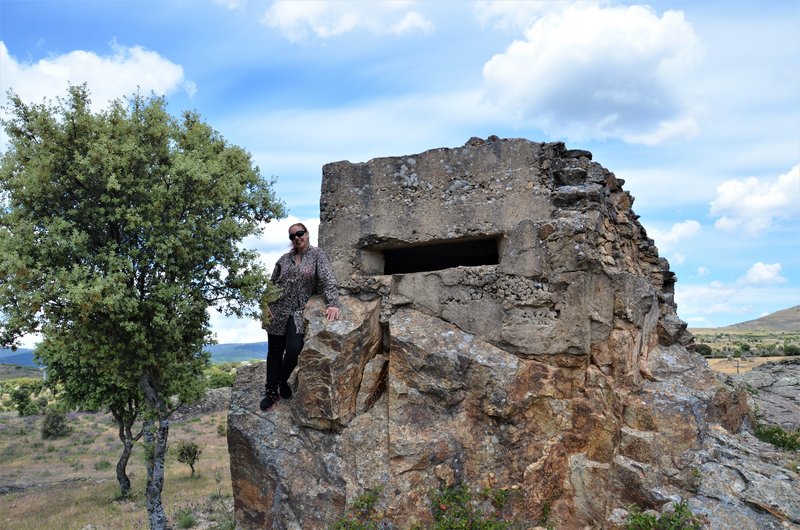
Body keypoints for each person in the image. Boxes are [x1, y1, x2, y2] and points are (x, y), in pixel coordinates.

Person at [260, 223, 340, 411]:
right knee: (274, 353)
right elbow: (271, 285)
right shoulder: (283, 260)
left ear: (307, 234)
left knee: (294, 348)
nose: (296, 237)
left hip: (297, 312)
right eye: (292, 236)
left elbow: (327, 278)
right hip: (277, 310)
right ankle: (272, 392)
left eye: (300, 233)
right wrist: (265, 305)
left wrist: (333, 303)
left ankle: (281, 380)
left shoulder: (317, 255)